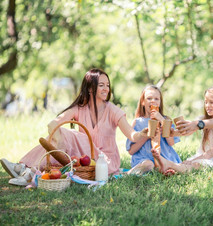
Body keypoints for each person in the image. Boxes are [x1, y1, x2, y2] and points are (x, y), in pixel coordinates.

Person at [0, 68, 147, 186]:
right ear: (90, 88)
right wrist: (59, 144)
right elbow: (53, 123)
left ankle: (27, 171)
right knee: (55, 136)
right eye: (101, 85)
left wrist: (143, 134)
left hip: (105, 161)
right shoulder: (80, 108)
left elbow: (131, 135)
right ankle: (26, 170)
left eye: (107, 85)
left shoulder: (114, 111)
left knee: (72, 134)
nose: (106, 89)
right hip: (85, 158)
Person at [152, 86, 213, 174]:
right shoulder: (203, 120)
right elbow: (188, 129)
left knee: (196, 165)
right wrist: (173, 133)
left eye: (211, 102)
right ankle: (171, 169)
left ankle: (170, 165)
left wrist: (194, 160)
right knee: (188, 163)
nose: (207, 106)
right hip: (203, 156)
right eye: (206, 102)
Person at [126, 85, 181, 175]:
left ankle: (164, 169)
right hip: (144, 159)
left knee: (167, 164)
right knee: (149, 164)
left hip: (164, 157)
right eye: (149, 98)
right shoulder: (137, 122)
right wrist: (146, 137)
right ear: (143, 102)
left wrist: (161, 120)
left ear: (160, 102)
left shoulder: (166, 120)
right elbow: (131, 151)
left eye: (156, 99)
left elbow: (171, 142)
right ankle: (128, 174)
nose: (153, 101)